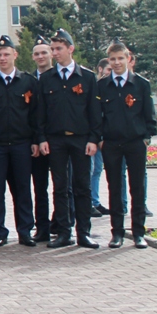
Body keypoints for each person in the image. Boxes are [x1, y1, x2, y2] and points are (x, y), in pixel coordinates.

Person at [37, 28, 102, 249]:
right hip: (56, 140)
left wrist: (93, 139)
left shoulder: (87, 77)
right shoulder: (47, 79)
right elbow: (41, 112)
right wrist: (42, 138)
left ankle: (84, 232)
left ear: (70, 49)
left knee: (82, 187)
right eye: (53, 49)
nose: (54, 53)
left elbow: (94, 112)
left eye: (58, 49)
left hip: (81, 140)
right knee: (60, 187)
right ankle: (64, 232)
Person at [0, 35, 39, 247]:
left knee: (22, 188)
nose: (2, 58)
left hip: (22, 144)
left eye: (6, 54)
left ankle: (25, 230)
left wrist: (36, 140)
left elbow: (35, 114)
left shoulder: (28, 81)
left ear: (15, 55)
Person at [98, 41, 156, 249]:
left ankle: (138, 233)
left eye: (120, 58)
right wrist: (100, 138)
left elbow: (149, 113)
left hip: (135, 142)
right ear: (109, 61)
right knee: (114, 188)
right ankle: (117, 233)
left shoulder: (141, 84)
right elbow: (97, 115)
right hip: (112, 143)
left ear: (128, 59)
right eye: (112, 59)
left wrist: (147, 136)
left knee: (137, 188)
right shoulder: (102, 86)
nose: (116, 63)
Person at [29, 34, 55, 241]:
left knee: (64, 187)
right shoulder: (28, 81)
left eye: (44, 52)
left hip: (58, 140)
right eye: (37, 54)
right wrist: (35, 140)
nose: (41, 57)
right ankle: (42, 228)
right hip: (37, 143)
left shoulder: (60, 78)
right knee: (40, 188)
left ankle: (62, 225)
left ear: (51, 54)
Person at [90, 58, 113, 217]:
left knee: (97, 169)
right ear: (100, 69)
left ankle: (95, 201)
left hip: (104, 136)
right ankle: (89, 202)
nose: (111, 73)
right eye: (108, 70)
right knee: (90, 170)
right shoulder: (95, 86)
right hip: (93, 136)